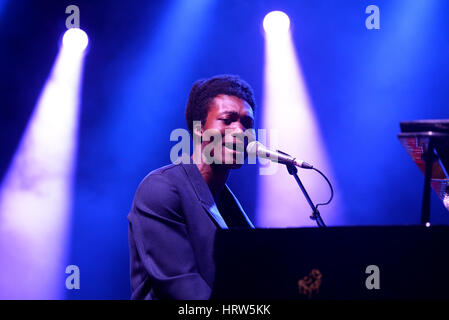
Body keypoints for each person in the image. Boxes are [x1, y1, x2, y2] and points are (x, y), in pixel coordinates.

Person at [127, 74, 256, 299]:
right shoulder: (161, 188)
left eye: (247, 123)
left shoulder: (228, 205)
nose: (240, 131)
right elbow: (184, 288)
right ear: (199, 129)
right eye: (227, 119)